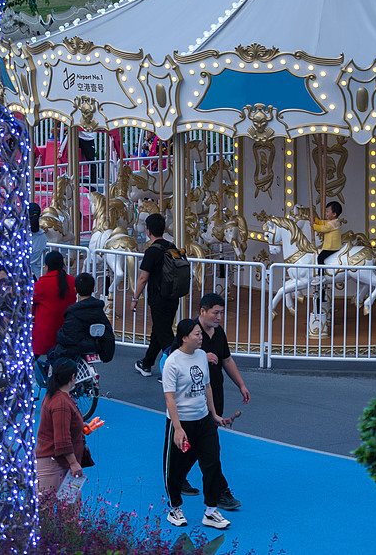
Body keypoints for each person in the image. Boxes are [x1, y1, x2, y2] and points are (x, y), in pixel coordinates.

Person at [161, 318, 234, 530]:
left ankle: (211, 511)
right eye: (197, 334)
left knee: (212, 463)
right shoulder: (172, 362)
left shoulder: (202, 356)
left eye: (201, 334)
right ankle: (174, 508)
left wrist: (214, 415)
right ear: (184, 337)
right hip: (181, 422)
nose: (201, 338)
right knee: (175, 467)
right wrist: (178, 428)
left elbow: (207, 387)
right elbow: (170, 399)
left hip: (203, 421)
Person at [178, 292, 248, 510]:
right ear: (203, 312)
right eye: (215, 313)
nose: (219, 317)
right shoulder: (189, 333)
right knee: (210, 448)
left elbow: (226, 359)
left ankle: (177, 476)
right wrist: (201, 356)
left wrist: (241, 384)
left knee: (199, 444)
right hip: (194, 398)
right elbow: (174, 358)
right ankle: (221, 491)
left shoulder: (218, 333)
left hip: (214, 395)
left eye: (221, 313)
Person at [131, 213, 180, 378]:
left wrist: (135, 298)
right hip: (173, 296)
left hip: (158, 299)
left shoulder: (152, 251)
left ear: (148, 231)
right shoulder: (172, 247)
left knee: (165, 334)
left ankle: (174, 370)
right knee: (159, 331)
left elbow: (143, 278)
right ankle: (146, 363)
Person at [35, 357, 92, 499]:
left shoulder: (55, 396)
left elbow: (62, 427)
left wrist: (79, 427)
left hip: (55, 462)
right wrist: (74, 464)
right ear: (73, 377)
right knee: (55, 510)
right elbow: (62, 439)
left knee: (55, 510)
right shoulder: (61, 402)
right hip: (55, 463)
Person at [47, 272, 114, 362]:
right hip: (95, 346)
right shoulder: (98, 308)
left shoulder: (73, 311)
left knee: (51, 354)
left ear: (76, 290)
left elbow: (66, 335)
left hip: (78, 348)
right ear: (93, 289)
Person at [32, 251, 76, 359]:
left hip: (45, 334)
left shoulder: (41, 284)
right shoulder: (71, 281)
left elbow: (29, 299)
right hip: (66, 331)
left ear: (46, 266)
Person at [311, 201, 342, 266]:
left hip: (332, 247)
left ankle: (321, 274)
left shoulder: (333, 223)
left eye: (327, 212)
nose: (326, 213)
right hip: (330, 246)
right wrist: (316, 221)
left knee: (320, 258)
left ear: (334, 214)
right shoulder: (332, 221)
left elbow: (323, 228)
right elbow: (323, 222)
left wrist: (314, 226)